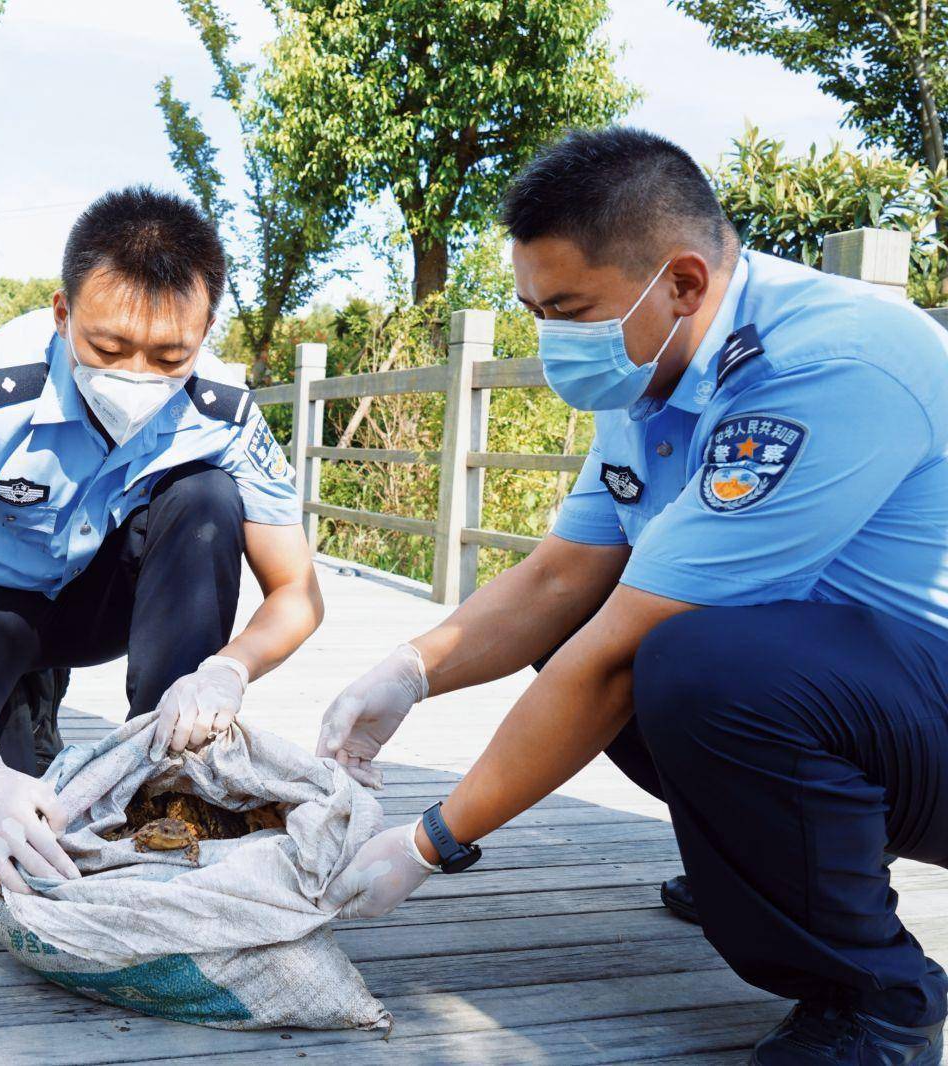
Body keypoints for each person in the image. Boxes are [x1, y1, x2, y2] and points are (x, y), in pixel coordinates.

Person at [318, 128, 948, 1065]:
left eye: (569, 308)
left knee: (700, 666)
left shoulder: (828, 365)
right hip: (861, 699)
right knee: (638, 638)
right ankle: (774, 861)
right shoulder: (653, 364)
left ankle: (876, 1001)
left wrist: (430, 841)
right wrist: (410, 671)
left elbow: (619, 653)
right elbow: (565, 576)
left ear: (684, 282)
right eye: (534, 308)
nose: (552, 338)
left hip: (925, 707)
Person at [0, 186, 324, 898]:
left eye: (169, 355)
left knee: (208, 499)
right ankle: (18, 699)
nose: (137, 375)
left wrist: (227, 671)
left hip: (107, 603)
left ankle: (160, 773)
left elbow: (298, 595)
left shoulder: (226, 412)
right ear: (62, 314)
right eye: (109, 346)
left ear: (206, 330)